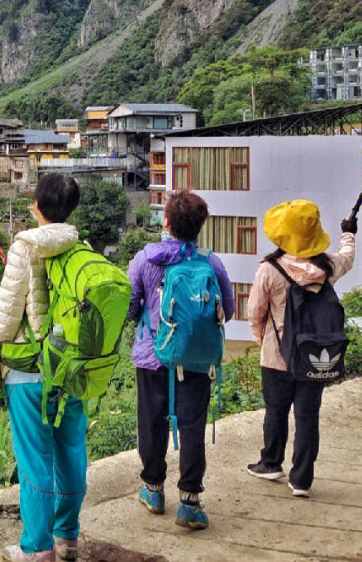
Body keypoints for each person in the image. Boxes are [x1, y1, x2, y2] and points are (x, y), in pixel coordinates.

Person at [0, 173, 84, 562]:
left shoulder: (24, 247)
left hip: (29, 373)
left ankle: (38, 549)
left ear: (37, 205)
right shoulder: (81, 246)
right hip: (70, 371)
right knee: (71, 450)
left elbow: (7, 319)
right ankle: (67, 537)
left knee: (35, 458)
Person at [127, 190, 234, 530]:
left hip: (152, 355)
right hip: (196, 358)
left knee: (152, 422)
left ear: (166, 222)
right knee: (192, 427)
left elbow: (130, 306)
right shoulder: (210, 262)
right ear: (200, 225)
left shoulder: (146, 259)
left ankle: (153, 491)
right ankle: (189, 501)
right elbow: (228, 310)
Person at [246, 199, 356, 497]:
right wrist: (348, 233)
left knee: (275, 411)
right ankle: (302, 480)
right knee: (308, 417)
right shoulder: (327, 266)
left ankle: (271, 463)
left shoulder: (269, 270)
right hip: (314, 355)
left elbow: (255, 312)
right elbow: (348, 257)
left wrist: (265, 341)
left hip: (275, 356)